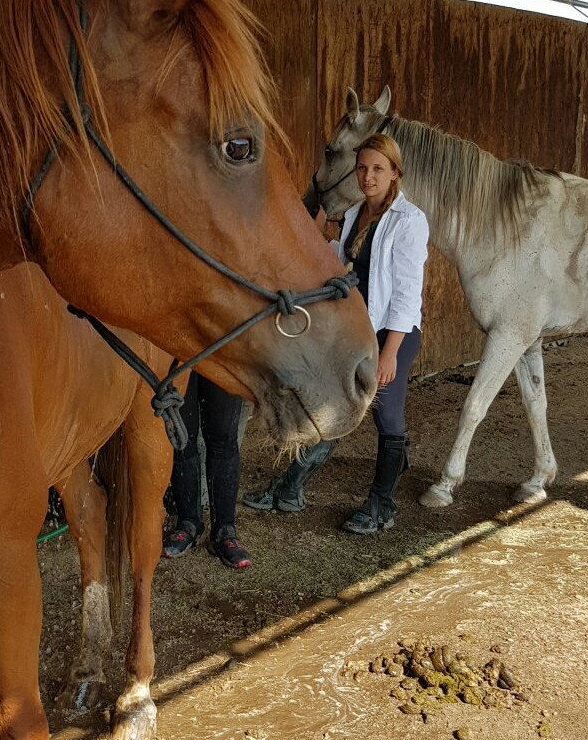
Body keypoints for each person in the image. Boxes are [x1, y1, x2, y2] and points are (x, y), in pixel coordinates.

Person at [243, 133, 428, 534]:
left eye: (378, 168)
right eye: (362, 168)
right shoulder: (356, 213)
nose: (368, 176)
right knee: (334, 402)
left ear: (395, 172)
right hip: (355, 325)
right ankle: (290, 489)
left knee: (386, 415)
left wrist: (390, 353)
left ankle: (382, 504)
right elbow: (342, 263)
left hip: (390, 331)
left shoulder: (408, 221)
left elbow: (406, 297)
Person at [161, 371, 253, 568]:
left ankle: (225, 531)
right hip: (180, 352)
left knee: (224, 438)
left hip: (221, 350)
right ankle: (188, 524)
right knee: (182, 437)